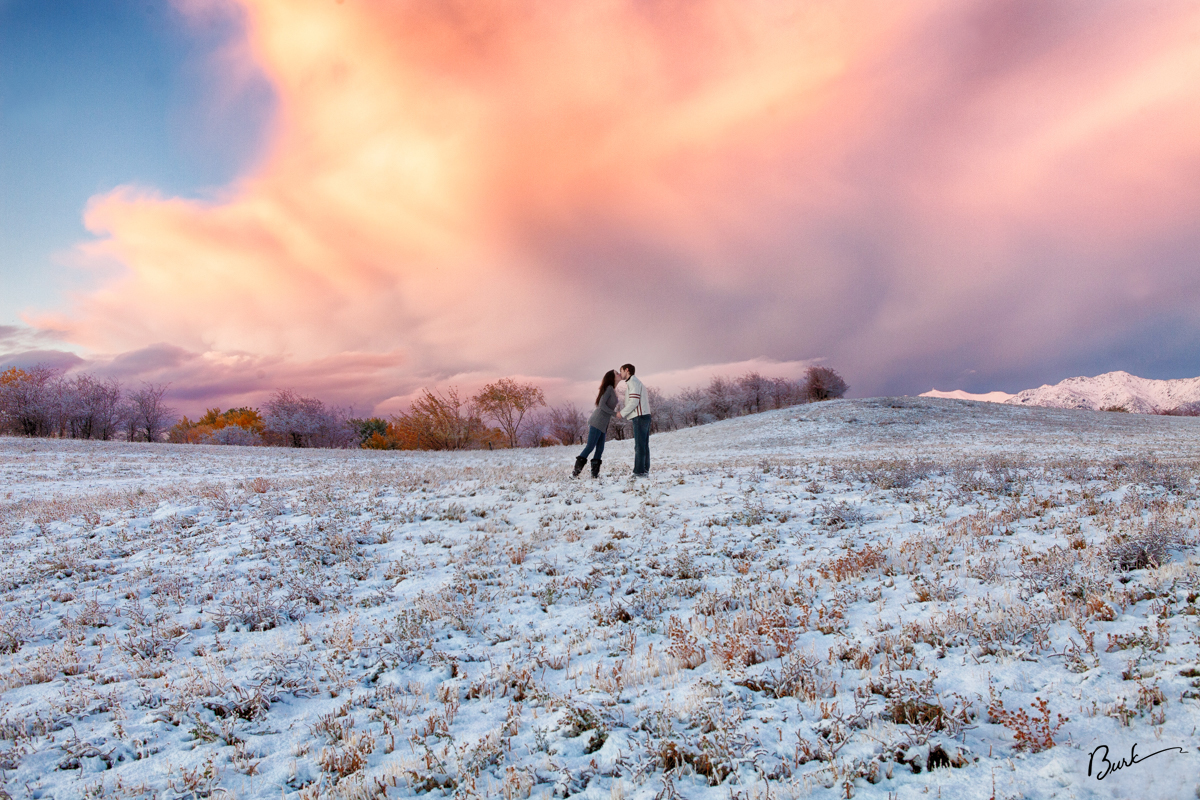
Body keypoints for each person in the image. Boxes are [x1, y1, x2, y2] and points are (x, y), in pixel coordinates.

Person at [574, 370, 618, 478]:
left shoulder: (611, 389)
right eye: (617, 374)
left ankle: (594, 475)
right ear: (612, 377)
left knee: (600, 448)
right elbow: (602, 405)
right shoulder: (608, 388)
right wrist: (615, 413)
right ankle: (575, 473)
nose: (619, 375)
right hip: (597, 421)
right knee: (590, 446)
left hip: (603, 423)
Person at [616, 363, 651, 477]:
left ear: (627, 370)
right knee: (643, 445)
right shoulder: (634, 382)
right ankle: (644, 470)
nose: (620, 374)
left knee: (639, 445)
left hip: (640, 417)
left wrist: (622, 413)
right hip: (643, 416)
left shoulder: (633, 382)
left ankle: (639, 472)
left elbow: (634, 402)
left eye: (621, 371)